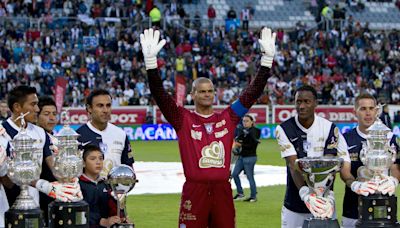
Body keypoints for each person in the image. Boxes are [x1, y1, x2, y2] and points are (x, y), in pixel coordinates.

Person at [140, 27, 275, 227]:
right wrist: (151, 65)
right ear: (192, 94)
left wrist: (266, 62)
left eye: (210, 91)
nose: (207, 94)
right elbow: (160, 95)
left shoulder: (229, 117)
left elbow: (251, 93)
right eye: (202, 91)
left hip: (222, 190)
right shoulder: (182, 118)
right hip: (195, 191)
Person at [275, 85, 351, 227]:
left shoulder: (329, 128)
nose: (301, 106)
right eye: (298, 102)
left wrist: (327, 196)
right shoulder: (284, 129)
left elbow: (330, 165)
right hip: (295, 205)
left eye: (306, 101)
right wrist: (306, 194)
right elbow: (293, 165)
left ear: (315, 103)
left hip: (324, 204)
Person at [0, 86, 81, 212]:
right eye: (33, 104)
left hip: (36, 203)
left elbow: (54, 167)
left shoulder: (40, 133)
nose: (37, 109)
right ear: (17, 107)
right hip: (8, 204)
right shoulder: (2, 133)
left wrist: (69, 181)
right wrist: (44, 186)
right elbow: (7, 181)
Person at [341, 94, 400, 228]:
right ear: (355, 111)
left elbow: (396, 168)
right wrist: (356, 185)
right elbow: (345, 171)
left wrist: (393, 181)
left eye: (371, 108)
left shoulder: (390, 137)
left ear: (376, 111)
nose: (368, 113)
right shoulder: (346, 138)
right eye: (363, 109)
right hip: (352, 210)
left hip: (384, 209)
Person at [77, 89, 134, 178]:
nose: (105, 110)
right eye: (100, 106)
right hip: (88, 191)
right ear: (89, 108)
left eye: (108, 105)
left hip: (115, 191)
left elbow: (128, 168)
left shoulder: (121, 134)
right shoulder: (78, 136)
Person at [79, 145, 121, 227]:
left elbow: (114, 207)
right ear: (83, 163)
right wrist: (101, 221)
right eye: (93, 159)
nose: (98, 162)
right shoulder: (77, 185)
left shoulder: (107, 184)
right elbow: (77, 212)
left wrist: (121, 217)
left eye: (100, 158)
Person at [36, 96, 59, 225]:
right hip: (40, 198)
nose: (52, 118)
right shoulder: (35, 139)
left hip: (55, 197)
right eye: (46, 114)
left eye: (54, 114)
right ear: (37, 116)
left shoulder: (56, 139)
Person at [232, 114, 261, 202]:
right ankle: (240, 193)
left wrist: (240, 144)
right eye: (243, 121)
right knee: (234, 174)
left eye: (247, 121)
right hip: (242, 156)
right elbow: (238, 139)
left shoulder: (255, 131)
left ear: (252, 122)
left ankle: (253, 196)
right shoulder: (243, 130)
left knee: (249, 176)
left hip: (250, 157)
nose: (245, 123)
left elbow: (253, 143)